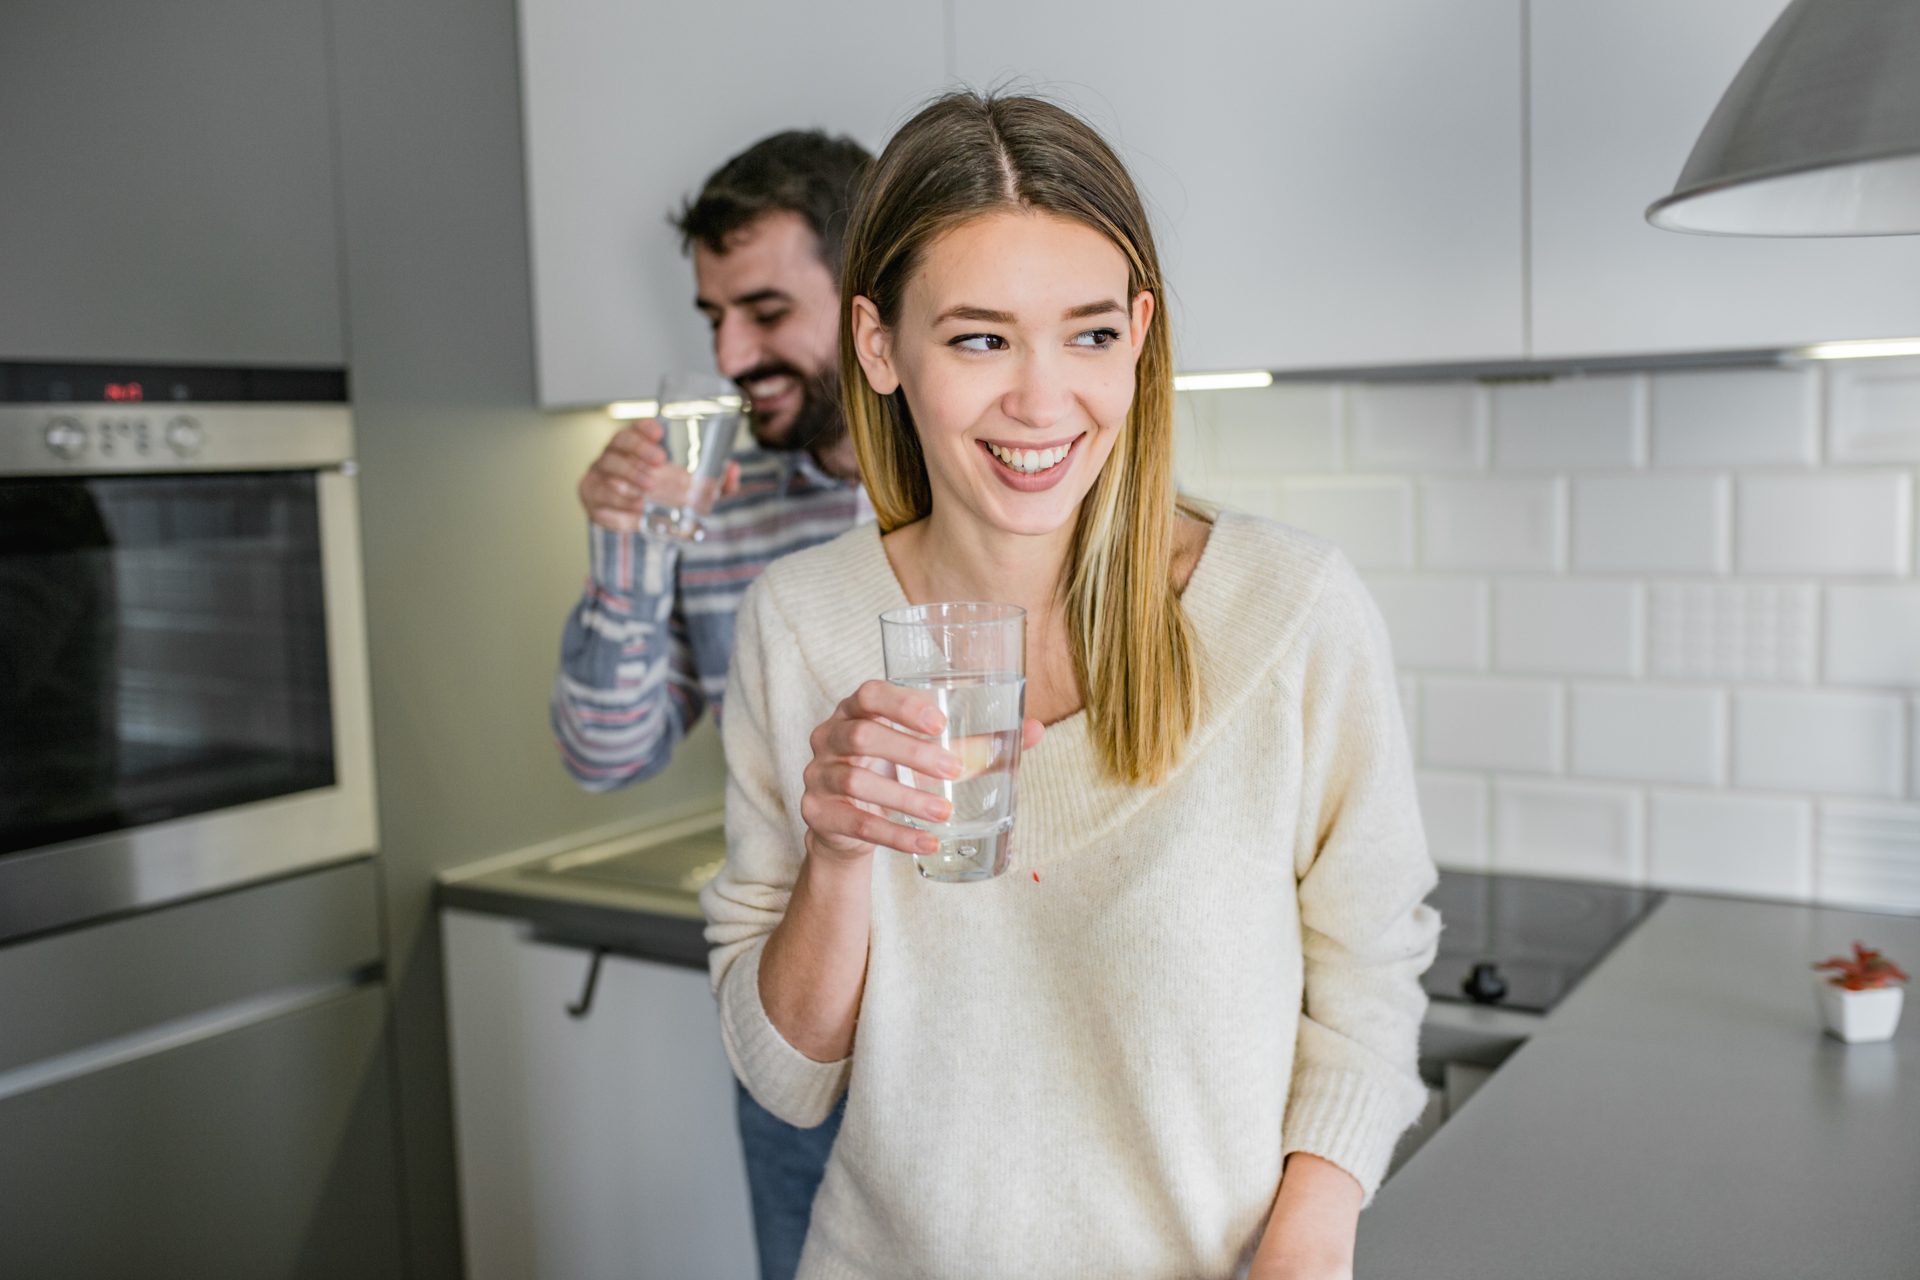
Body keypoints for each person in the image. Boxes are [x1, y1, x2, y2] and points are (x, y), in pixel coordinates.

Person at [700, 91, 1440, 1279]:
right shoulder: (802, 622)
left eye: (1089, 334)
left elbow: (1370, 972)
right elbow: (789, 1078)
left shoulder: (1290, 611)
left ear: (1139, 333)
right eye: (980, 337)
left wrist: (1309, 1233)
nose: (1043, 402)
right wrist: (838, 856)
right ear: (879, 347)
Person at [549, 130, 871, 1280]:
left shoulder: (975, 482)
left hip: (972, 1036)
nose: (733, 351)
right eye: (712, 318)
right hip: (791, 1038)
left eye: (768, 311)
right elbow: (607, 754)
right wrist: (623, 553)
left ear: (872, 289)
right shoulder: (717, 500)